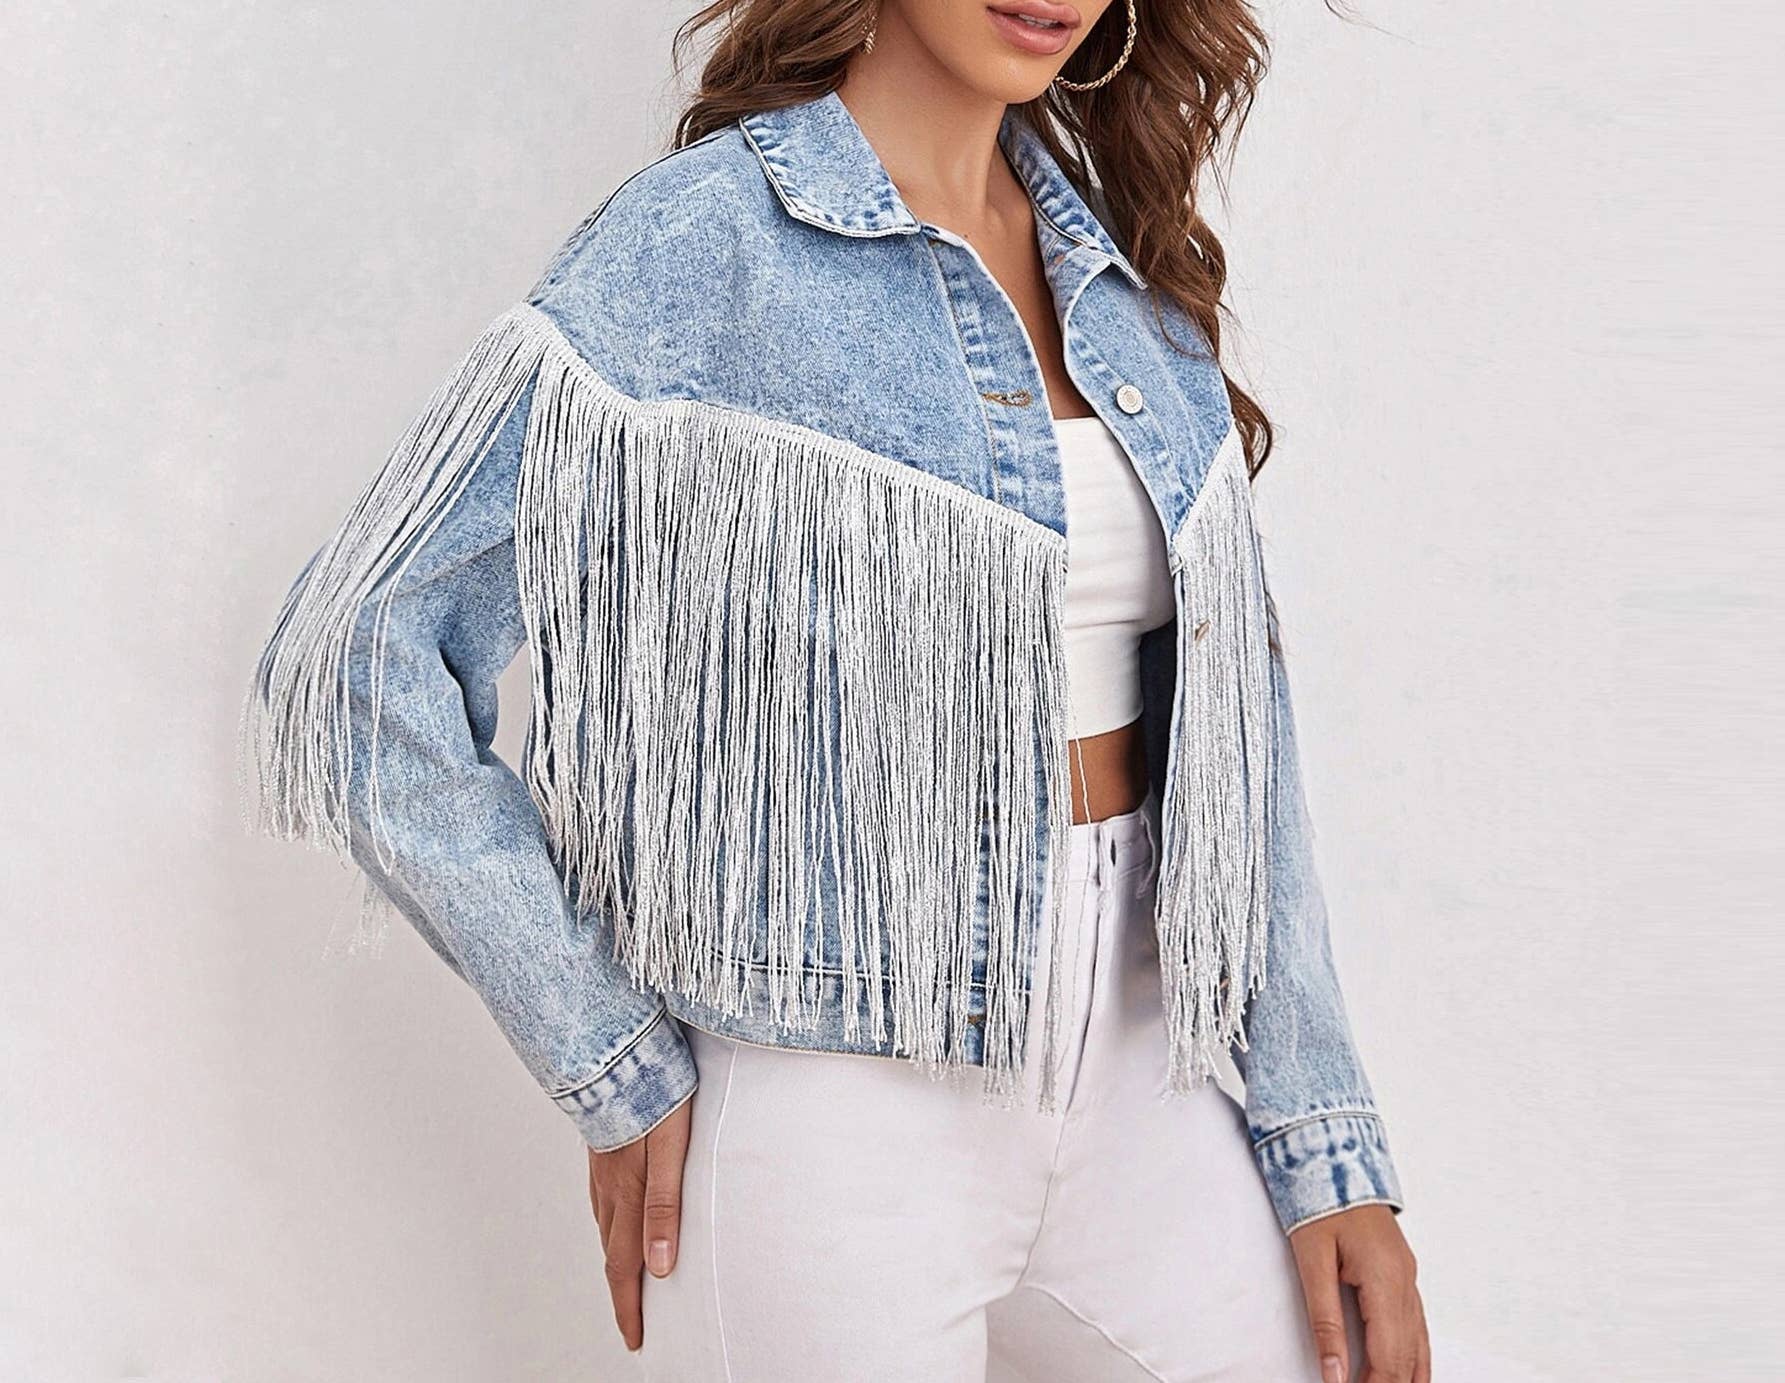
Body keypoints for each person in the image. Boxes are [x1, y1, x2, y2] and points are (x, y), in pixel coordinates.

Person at [243, 0, 1429, 1378]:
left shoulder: (1116, 263)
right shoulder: (701, 244)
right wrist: (609, 1059)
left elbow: (1241, 732)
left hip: (1148, 1055)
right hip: (833, 1104)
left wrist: (1319, 1135)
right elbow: (356, 655)